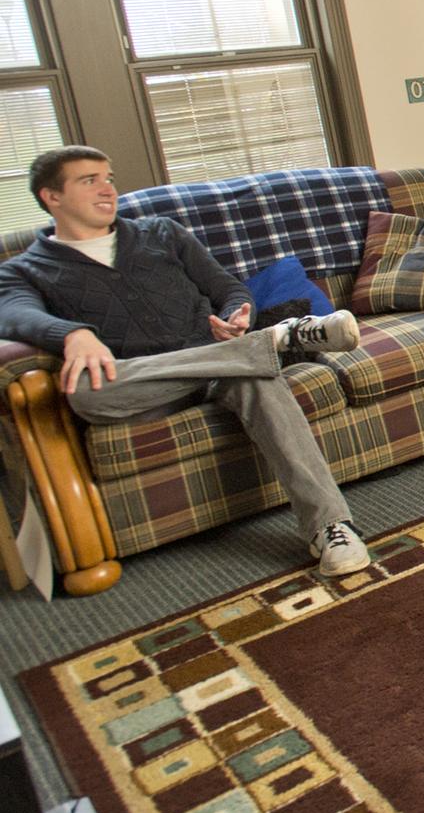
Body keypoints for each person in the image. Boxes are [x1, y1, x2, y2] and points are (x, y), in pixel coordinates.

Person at [0, 147, 375, 577]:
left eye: (109, 177)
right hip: (144, 385)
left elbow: (227, 287)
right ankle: (276, 342)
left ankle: (330, 526)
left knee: (255, 377)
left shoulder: (162, 232)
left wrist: (240, 314)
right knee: (86, 391)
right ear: (52, 197)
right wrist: (72, 333)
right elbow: (12, 315)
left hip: (221, 373)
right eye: (89, 181)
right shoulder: (25, 270)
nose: (108, 188)